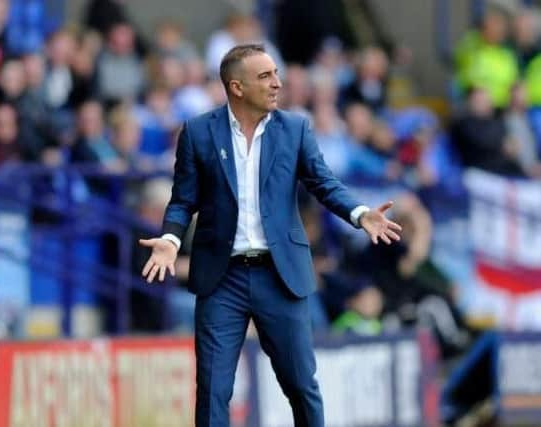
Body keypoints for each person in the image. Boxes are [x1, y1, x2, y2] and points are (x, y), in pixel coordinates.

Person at [139, 44, 402, 427]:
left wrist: (360, 214)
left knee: (299, 385)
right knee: (212, 388)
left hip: (280, 275)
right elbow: (183, 200)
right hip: (220, 278)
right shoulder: (198, 133)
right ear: (237, 87)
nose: (277, 83)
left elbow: (323, 182)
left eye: (276, 74)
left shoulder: (295, 129)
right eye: (265, 76)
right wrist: (171, 239)